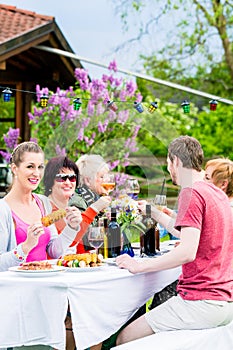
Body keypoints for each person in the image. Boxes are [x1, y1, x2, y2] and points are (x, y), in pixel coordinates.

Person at [116, 135, 233, 346]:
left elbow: (187, 251)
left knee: (124, 339)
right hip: (224, 303)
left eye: (169, 163)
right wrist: (154, 212)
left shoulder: (190, 191)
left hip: (200, 302)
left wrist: (140, 266)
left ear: (176, 161)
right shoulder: (217, 193)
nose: (169, 170)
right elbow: (188, 235)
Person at [43, 155, 111, 350]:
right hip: (55, 276)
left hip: (75, 272)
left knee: (96, 310)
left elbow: (78, 246)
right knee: (86, 312)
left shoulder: (70, 207)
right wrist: (93, 210)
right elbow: (59, 249)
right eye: (61, 177)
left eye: (72, 178)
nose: (68, 182)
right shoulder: (47, 208)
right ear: (50, 181)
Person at [0, 142, 82, 272]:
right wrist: (26, 246)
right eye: (30, 167)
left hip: (44, 283)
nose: (36, 173)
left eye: (40, 167)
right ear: (15, 169)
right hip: (17, 288)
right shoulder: (3, 210)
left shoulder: (42, 203)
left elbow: (54, 251)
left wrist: (71, 227)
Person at [68, 154, 110, 253]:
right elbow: (87, 238)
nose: (107, 180)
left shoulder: (97, 198)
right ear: (87, 180)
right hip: (83, 260)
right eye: (102, 176)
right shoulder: (77, 201)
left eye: (106, 176)